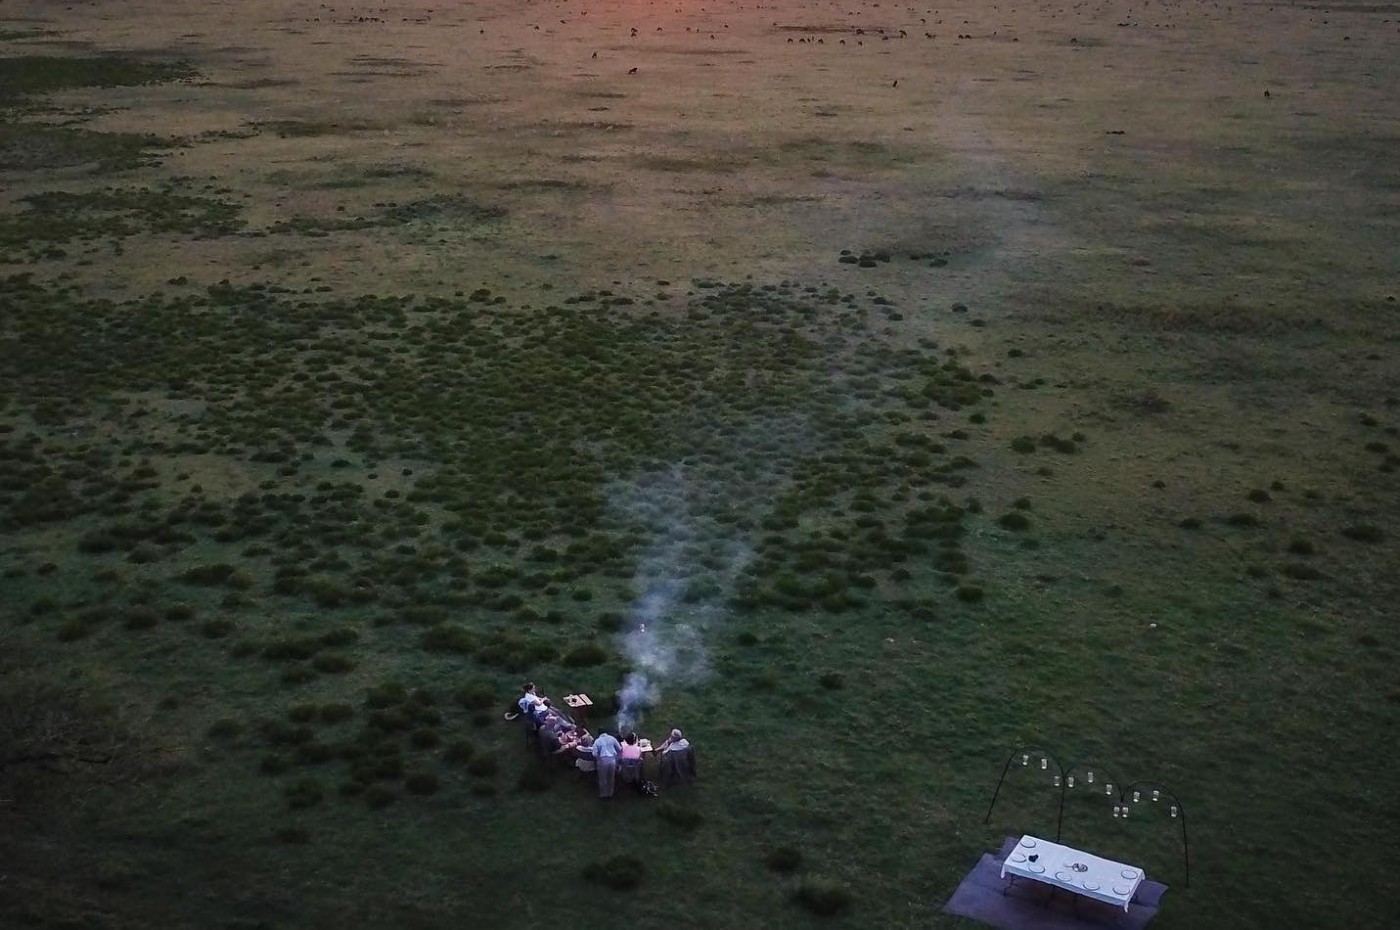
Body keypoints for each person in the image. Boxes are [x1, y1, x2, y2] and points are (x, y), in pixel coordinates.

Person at [592, 730, 622, 799]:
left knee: (602, 778)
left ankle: (603, 794)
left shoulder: (597, 741)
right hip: (612, 760)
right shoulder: (612, 738)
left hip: (602, 760)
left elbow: (594, 754)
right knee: (611, 777)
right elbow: (619, 748)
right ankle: (610, 794)